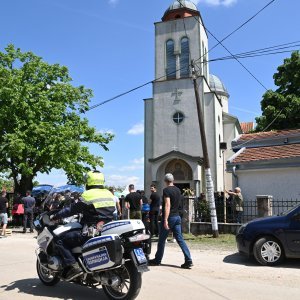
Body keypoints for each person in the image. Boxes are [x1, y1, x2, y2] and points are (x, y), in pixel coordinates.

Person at [51, 170, 116, 281]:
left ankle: (74, 267)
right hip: (106, 229)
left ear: (88, 182)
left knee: (59, 240)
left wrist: (56, 216)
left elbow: (71, 209)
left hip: (91, 231)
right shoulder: (109, 194)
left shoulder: (87, 195)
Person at [149, 174, 193, 269]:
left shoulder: (166, 190)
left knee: (161, 240)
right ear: (173, 180)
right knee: (180, 239)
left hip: (170, 217)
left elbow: (167, 205)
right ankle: (188, 259)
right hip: (177, 217)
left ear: (165, 181)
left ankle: (157, 260)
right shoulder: (178, 190)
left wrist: (165, 219)